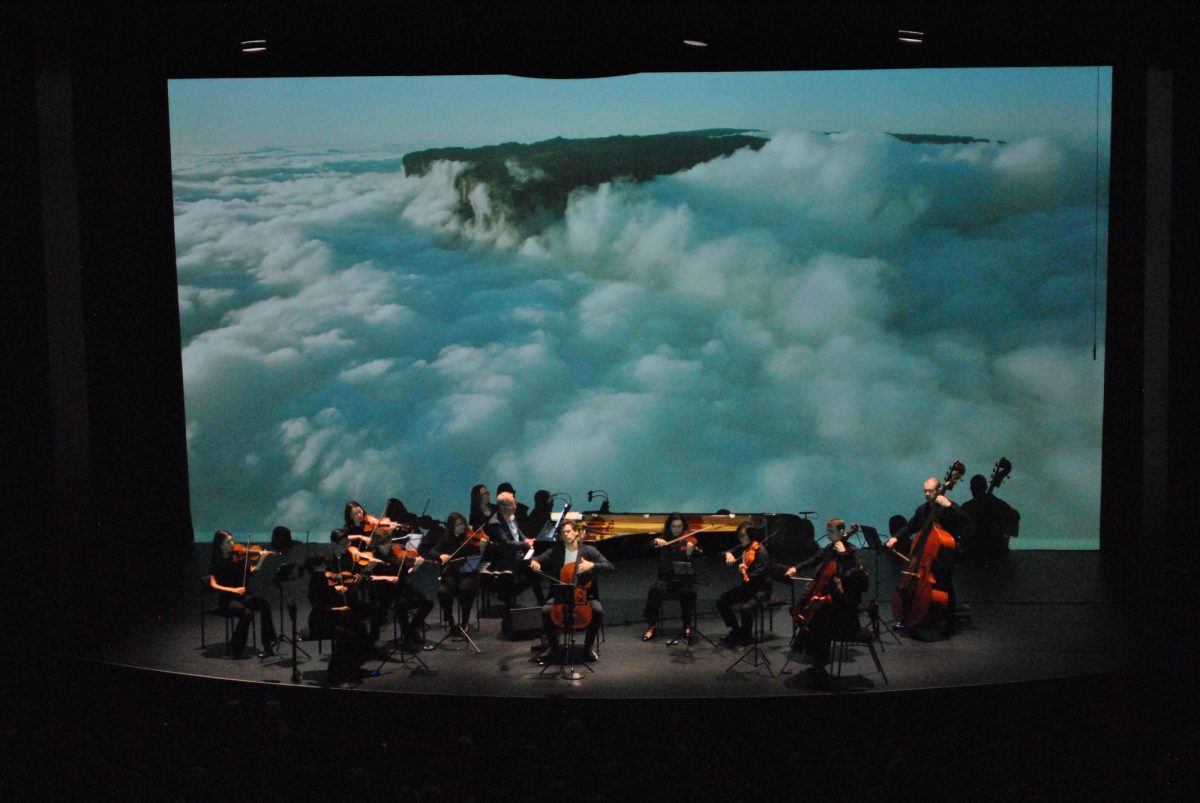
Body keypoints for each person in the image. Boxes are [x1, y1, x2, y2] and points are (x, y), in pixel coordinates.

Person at [783, 519, 869, 684]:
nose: (828, 534)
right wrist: (796, 568)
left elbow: (859, 581)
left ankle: (819, 666)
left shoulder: (853, 553)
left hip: (846, 608)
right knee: (816, 618)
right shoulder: (831, 548)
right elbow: (816, 559)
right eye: (828, 531)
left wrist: (843, 555)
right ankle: (817, 663)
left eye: (831, 531)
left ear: (842, 532)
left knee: (819, 622)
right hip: (832, 603)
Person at [885, 475, 970, 637]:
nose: (926, 494)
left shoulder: (948, 507)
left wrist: (950, 506)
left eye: (930, 491)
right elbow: (911, 526)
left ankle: (948, 623)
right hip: (927, 557)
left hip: (944, 555)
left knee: (945, 586)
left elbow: (967, 523)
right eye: (925, 491)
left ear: (939, 490)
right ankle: (919, 618)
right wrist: (895, 537)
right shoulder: (922, 510)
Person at [530, 520, 613, 662]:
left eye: (568, 531)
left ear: (576, 532)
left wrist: (591, 565)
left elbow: (610, 567)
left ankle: (588, 648)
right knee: (546, 611)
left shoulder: (589, 551)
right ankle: (553, 647)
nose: (566, 534)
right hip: (561, 593)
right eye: (563, 533)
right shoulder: (556, 551)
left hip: (585, 594)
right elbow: (537, 559)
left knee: (598, 611)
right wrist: (535, 562)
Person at [306, 529, 373, 685]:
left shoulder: (322, 580)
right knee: (349, 635)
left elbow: (329, 595)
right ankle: (339, 673)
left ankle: (353, 667)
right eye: (323, 569)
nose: (326, 572)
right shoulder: (318, 581)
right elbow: (320, 607)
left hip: (332, 613)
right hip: (322, 620)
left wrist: (343, 587)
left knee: (359, 627)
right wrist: (339, 606)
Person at [361, 524, 434, 651]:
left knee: (428, 602)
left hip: (402, 587)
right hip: (384, 591)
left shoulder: (397, 550)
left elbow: (406, 573)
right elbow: (368, 579)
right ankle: (407, 639)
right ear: (376, 544)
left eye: (389, 542)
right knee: (402, 605)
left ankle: (410, 631)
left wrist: (415, 567)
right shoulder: (372, 557)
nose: (388, 546)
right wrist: (384, 577)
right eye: (383, 544)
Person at [208, 530, 278, 658]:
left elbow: (252, 571)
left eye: (232, 540)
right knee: (247, 614)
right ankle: (236, 647)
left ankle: (267, 644)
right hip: (227, 599)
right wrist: (233, 590)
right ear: (221, 545)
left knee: (265, 605)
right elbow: (213, 584)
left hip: (243, 596)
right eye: (228, 541)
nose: (233, 543)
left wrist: (262, 558)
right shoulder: (217, 562)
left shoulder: (238, 557)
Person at [485, 490, 546, 634]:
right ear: (503, 506)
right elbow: (506, 544)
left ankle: (539, 605)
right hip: (505, 559)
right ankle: (512, 596)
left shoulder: (511, 517)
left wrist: (526, 540)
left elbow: (518, 534)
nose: (516, 506)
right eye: (513, 504)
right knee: (534, 574)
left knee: (537, 572)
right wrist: (525, 545)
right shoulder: (495, 523)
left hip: (517, 555)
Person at [641, 512, 699, 642]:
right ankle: (652, 626)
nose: (677, 529)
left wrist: (690, 552)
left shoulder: (689, 539)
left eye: (679, 526)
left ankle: (687, 626)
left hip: (684, 581)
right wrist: (654, 541)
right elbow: (646, 547)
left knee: (689, 592)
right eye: (674, 526)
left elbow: (693, 559)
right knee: (654, 591)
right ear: (669, 526)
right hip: (666, 580)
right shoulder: (664, 538)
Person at [717, 522, 772, 647]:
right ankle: (736, 630)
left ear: (750, 536)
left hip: (761, 590)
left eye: (742, 536)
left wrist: (744, 572)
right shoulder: (744, 547)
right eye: (739, 536)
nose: (739, 538)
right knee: (721, 601)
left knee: (745, 608)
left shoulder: (761, 552)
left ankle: (746, 637)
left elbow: (758, 575)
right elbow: (722, 554)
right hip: (747, 588)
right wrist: (728, 553)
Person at [431, 512, 483, 635]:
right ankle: (450, 621)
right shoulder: (446, 538)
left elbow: (476, 555)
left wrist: (482, 548)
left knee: (466, 589)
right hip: (451, 574)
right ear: (451, 526)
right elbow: (432, 551)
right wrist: (441, 555)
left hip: (468, 573)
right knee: (443, 592)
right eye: (457, 525)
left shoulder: (470, 538)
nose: (461, 527)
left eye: (462, 523)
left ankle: (465, 621)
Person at [960, 474, 1020, 559]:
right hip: (996, 553)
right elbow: (1015, 516)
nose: (972, 489)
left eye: (973, 487)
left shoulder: (967, 507)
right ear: (985, 487)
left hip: (973, 554)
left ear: (971, 489)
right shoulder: (998, 504)